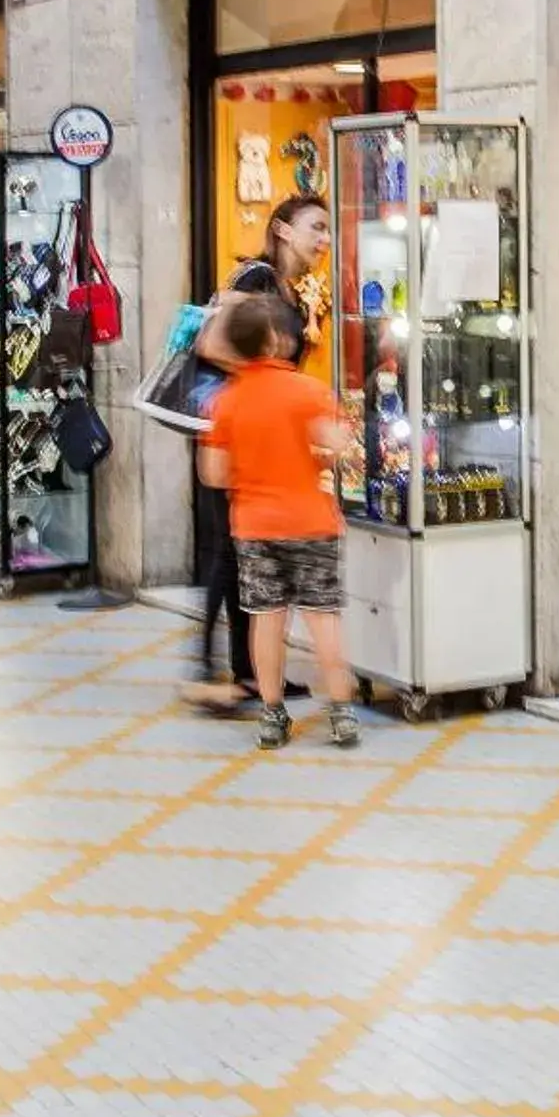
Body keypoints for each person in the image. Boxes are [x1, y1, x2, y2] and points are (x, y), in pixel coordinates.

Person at [182, 192, 332, 713]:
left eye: (327, 229)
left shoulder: (289, 287)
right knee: (232, 553)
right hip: (236, 428)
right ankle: (216, 668)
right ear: (283, 229)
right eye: (316, 227)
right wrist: (262, 391)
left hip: (252, 428)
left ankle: (244, 671)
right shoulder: (257, 278)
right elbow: (211, 344)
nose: (324, 239)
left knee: (242, 553)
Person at [199, 296, 358, 751]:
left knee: (266, 622)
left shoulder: (225, 402)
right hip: (311, 521)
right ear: (275, 340)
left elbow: (214, 472)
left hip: (253, 527)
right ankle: (341, 713)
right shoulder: (308, 392)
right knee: (322, 619)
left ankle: (272, 715)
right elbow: (336, 444)